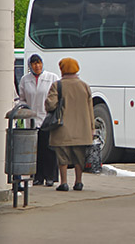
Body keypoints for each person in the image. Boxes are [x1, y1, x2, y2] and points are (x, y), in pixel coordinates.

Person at [45, 58, 94, 192]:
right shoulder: (84, 86)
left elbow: (51, 105)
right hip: (82, 129)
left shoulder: (57, 85)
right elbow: (90, 109)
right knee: (79, 156)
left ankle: (64, 183)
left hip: (63, 127)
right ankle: (78, 182)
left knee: (63, 156)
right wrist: (91, 128)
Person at [18, 54, 60, 187]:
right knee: (36, 150)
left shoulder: (52, 77)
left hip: (47, 118)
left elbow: (57, 96)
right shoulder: (25, 80)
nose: (37, 66)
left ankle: (50, 176)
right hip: (31, 119)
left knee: (48, 148)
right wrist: (25, 109)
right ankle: (37, 176)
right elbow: (22, 98)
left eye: (39, 63)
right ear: (30, 66)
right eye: (34, 64)